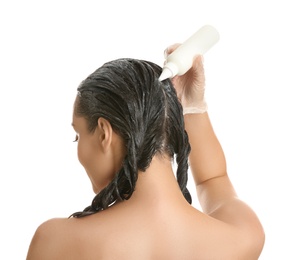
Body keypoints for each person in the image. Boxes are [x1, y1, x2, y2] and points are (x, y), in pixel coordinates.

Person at [26, 44, 265, 259]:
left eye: (77, 135)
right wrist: (193, 107)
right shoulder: (241, 238)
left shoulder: (55, 243)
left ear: (103, 133)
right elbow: (214, 180)